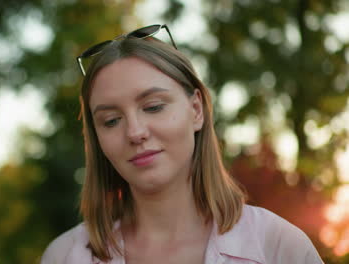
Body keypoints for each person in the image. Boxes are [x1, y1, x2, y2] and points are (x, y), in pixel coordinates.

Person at [41, 24, 323, 264]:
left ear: (196, 110)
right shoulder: (64, 256)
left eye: (153, 107)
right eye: (111, 120)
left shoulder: (279, 247)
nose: (135, 132)